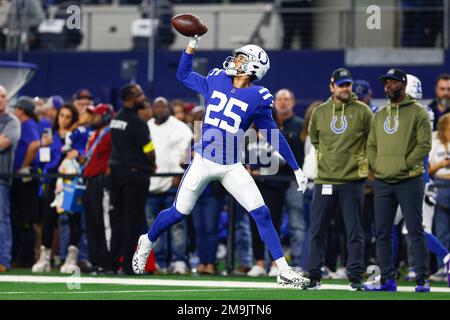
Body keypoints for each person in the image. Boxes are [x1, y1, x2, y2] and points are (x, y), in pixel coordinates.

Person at [132, 36, 310, 288]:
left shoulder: (259, 96)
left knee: (262, 212)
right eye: (237, 56)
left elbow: (273, 135)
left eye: (242, 58)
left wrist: (296, 167)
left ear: (254, 67)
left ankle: (283, 269)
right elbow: (183, 75)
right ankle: (147, 241)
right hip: (203, 160)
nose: (235, 60)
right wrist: (191, 45)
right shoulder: (216, 79)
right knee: (178, 213)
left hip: (231, 166)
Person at [306, 68, 373, 291]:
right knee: (317, 230)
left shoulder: (363, 112)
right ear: (331, 86)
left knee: (354, 231)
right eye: (341, 84)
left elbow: (372, 142)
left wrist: (360, 162)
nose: (345, 88)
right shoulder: (319, 112)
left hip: (353, 180)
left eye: (348, 85)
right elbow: (315, 139)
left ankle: (355, 277)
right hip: (325, 178)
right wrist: (329, 158)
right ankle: (314, 275)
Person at [366, 68, 432, 292]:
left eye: (393, 82)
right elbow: (371, 145)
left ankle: (422, 279)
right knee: (383, 232)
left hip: (409, 180)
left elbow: (424, 145)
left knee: (414, 230)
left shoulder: (418, 113)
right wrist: (377, 165)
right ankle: (387, 279)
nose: (388, 86)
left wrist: (403, 165)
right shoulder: (380, 114)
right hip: (383, 180)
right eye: (386, 83)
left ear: (403, 85)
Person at [107, 83, 156, 275]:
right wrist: (153, 164)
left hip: (117, 174)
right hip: (135, 175)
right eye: (139, 94)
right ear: (129, 98)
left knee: (117, 220)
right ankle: (128, 264)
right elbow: (149, 150)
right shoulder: (137, 123)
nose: (143, 97)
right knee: (132, 221)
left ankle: (112, 263)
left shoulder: (115, 119)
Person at [145, 96, 192, 274]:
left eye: (163, 106)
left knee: (178, 225)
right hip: (151, 185)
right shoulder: (147, 126)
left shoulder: (180, 127)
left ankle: (179, 260)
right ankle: (160, 262)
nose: (159, 110)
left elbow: (187, 151)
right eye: (156, 107)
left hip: (173, 183)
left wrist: (180, 175)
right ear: (152, 109)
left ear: (168, 109)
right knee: (154, 226)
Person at [31, 104, 81, 273]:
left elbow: (84, 154)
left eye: (68, 117)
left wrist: (78, 154)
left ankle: (71, 257)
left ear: (73, 119)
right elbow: (40, 161)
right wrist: (43, 145)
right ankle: (44, 258)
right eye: (62, 115)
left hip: (69, 181)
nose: (64, 119)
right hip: (52, 182)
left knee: (73, 218)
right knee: (48, 219)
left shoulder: (76, 135)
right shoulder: (50, 136)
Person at [82, 103, 114, 274]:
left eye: (96, 115)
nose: (93, 118)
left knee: (104, 223)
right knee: (92, 224)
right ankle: (95, 260)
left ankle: (107, 261)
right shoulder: (94, 134)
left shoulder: (111, 133)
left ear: (106, 116)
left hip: (102, 183)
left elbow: (115, 154)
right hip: (90, 182)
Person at [10, 96, 41, 268]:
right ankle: (21, 256)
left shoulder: (28, 124)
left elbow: (35, 144)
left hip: (26, 177)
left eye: (16, 108)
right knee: (20, 217)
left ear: (21, 110)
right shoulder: (25, 124)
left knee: (25, 218)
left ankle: (26, 258)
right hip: (21, 177)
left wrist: (23, 166)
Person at [427, 113, 450, 285]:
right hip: (440, 186)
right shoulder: (434, 142)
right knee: (441, 229)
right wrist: (442, 164)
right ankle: (443, 266)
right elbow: (427, 171)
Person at [0, 86, 20, 272]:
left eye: (4, 96)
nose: (1, 99)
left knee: (1, 219)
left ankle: (3, 261)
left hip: (1, 178)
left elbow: (3, 143)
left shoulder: (12, 121)